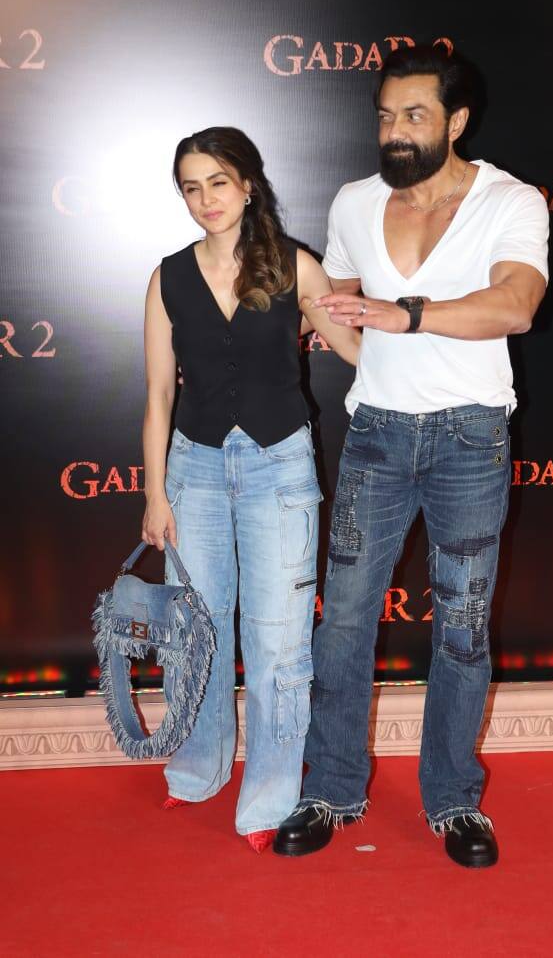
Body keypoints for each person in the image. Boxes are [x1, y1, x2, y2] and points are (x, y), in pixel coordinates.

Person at [273, 45, 549, 867]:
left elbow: (517, 304)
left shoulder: (511, 199)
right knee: (346, 623)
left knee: (461, 629)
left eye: (416, 116)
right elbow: (345, 313)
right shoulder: (355, 202)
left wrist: (408, 315)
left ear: (456, 121)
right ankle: (332, 787)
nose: (396, 131)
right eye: (387, 116)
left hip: (470, 436)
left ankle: (454, 800)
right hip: (377, 436)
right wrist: (285, 327)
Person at [141, 127, 360, 853]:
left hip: (278, 466)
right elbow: (156, 397)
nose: (205, 199)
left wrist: (432, 334)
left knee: (277, 642)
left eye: (217, 183)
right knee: (196, 634)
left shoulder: (296, 266)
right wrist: (154, 494)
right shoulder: (167, 276)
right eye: (190, 186)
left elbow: (358, 349)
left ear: (248, 186)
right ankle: (199, 767)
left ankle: (269, 793)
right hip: (193, 469)